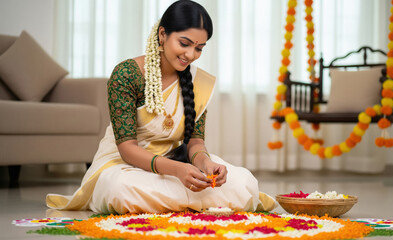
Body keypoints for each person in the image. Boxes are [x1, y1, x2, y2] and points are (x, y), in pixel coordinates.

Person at [46, 0, 276, 214]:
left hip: (177, 162)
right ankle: (193, 201)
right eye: (184, 44)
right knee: (120, 189)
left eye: (199, 48)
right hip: (125, 166)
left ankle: (172, 201)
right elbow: (127, 149)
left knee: (245, 183)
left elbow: (194, 142)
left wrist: (206, 164)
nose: (190, 55)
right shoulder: (126, 74)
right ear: (163, 34)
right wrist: (177, 171)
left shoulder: (199, 82)